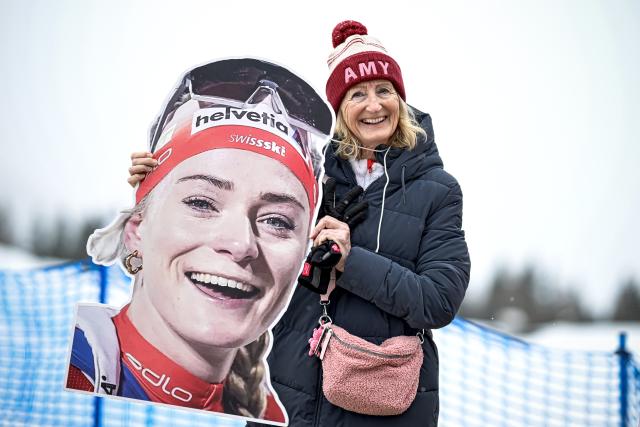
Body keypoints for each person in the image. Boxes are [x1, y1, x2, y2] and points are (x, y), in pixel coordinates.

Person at [129, 21, 470, 427]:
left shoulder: (437, 190)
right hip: (289, 391)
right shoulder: (309, 178)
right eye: (357, 94)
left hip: (380, 402)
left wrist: (350, 262)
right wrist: (159, 183)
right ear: (342, 109)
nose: (374, 105)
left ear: (401, 100)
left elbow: (438, 299)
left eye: (384, 91)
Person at [66, 58, 333, 425]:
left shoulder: (265, 412)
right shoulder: (60, 361)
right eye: (201, 203)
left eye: (277, 221)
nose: (240, 245)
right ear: (136, 231)